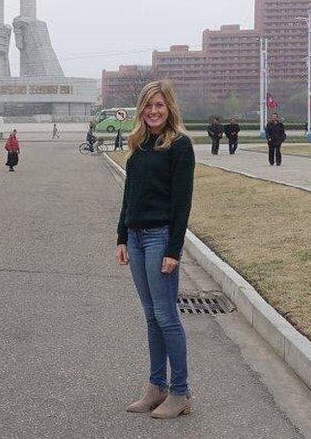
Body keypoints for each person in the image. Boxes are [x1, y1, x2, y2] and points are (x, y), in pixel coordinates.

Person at [116, 79, 194, 419]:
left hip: (160, 237)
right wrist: (121, 237)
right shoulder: (138, 146)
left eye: (159, 105)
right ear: (141, 110)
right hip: (136, 237)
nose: (153, 111)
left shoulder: (180, 146)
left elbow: (182, 204)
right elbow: (128, 197)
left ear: (169, 108)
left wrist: (173, 250)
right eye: (148, 106)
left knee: (166, 315)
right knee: (150, 316)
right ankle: (156, 386)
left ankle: (180, 392)